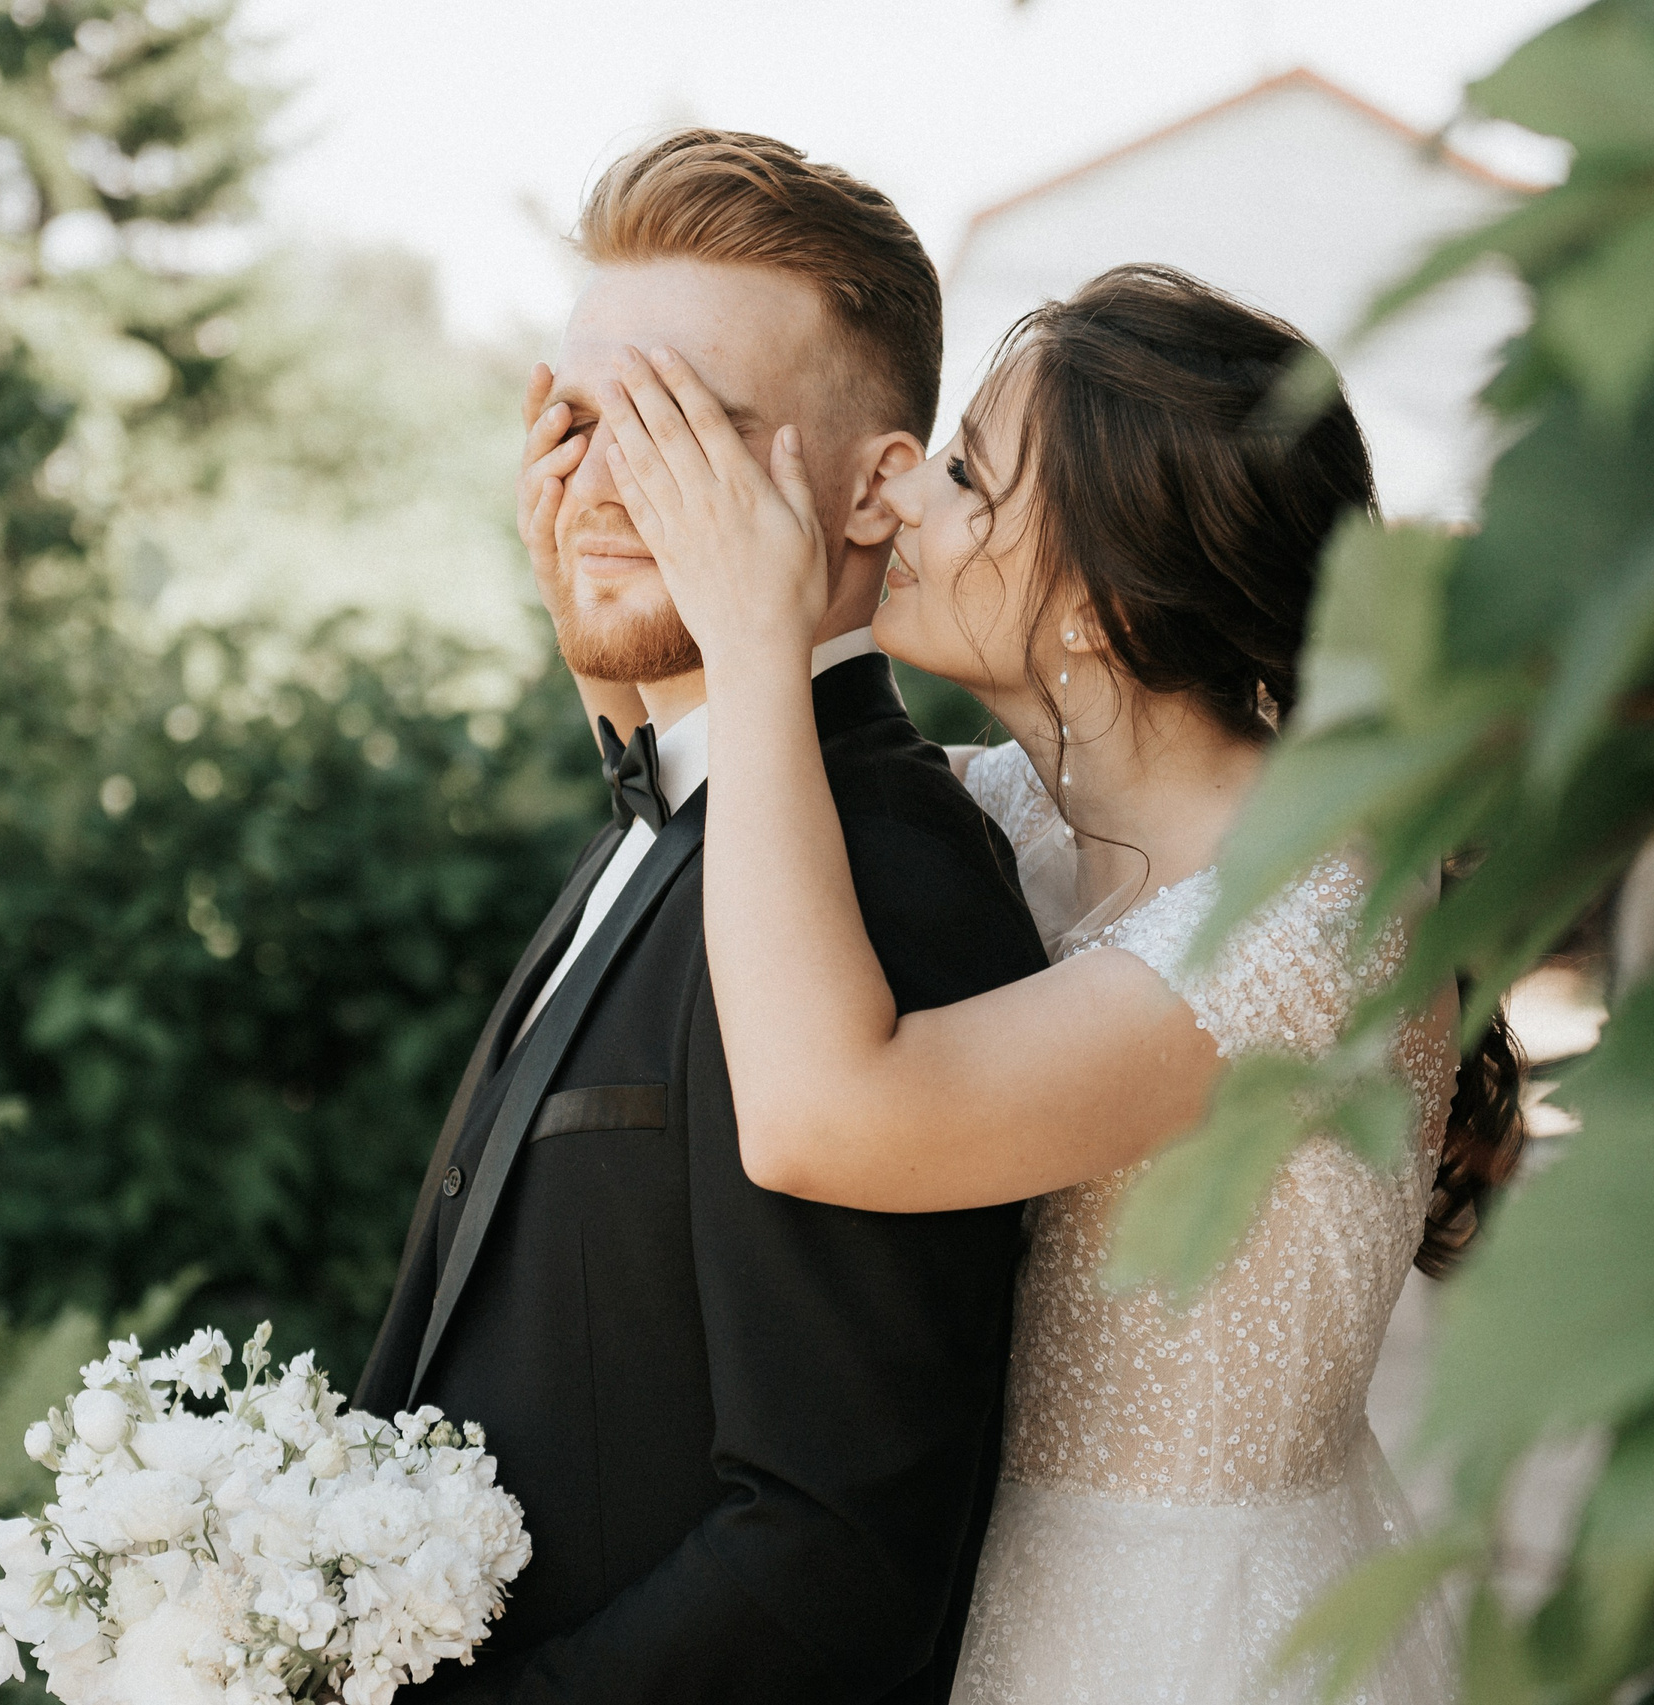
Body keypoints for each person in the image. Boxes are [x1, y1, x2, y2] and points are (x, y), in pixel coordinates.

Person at [593, 262, 1525, 1704]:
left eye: (968, 474)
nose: (910, 491)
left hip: (1189, 1644)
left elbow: (823, 1118)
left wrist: (756, 641)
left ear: (1102, 604)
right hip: (1005, 1590)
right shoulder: (1028, 813)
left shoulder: (1301, 924)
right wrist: (611, 593)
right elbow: (741, 827)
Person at [354, 130, 1049, 1704]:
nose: (606, 482)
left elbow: (832, 1554)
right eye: (584, 419)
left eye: (685, 431)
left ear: (873, 490)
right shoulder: (666, 802)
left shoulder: (878, 878)